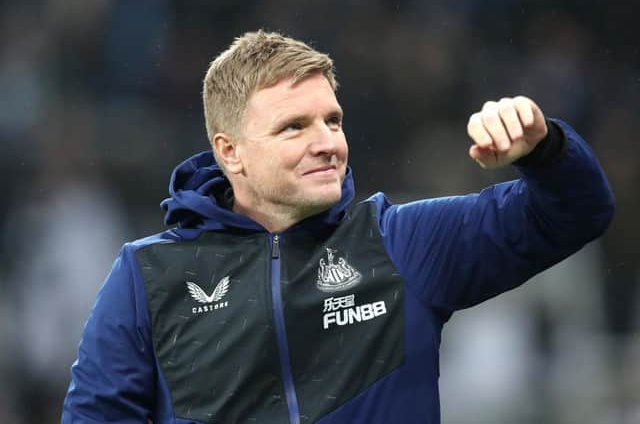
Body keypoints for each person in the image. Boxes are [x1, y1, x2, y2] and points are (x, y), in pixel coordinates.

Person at [61, 30, 615, 424]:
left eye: (333, 119)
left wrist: (545, 149)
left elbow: (576, 212)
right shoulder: (147, 275)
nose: (326, 142)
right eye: (294, 127)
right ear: (230, 152)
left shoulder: (399, 243)